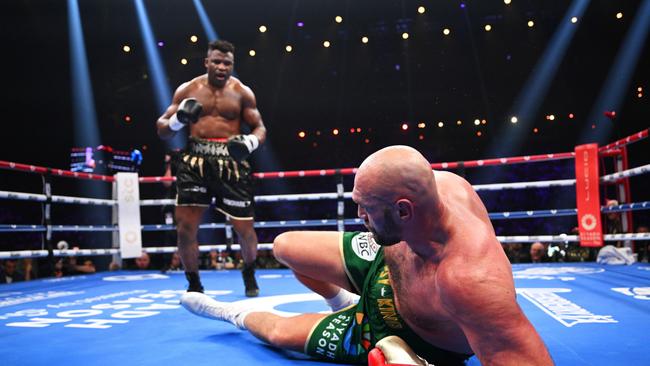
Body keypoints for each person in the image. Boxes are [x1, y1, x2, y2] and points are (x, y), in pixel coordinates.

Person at [180, 146, 553, 365]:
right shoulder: (439, 186)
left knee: (278, 332)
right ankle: (340, 300)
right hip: (387, 259)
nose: (360, 217)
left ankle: (225, 312)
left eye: (366, 209)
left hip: (407, 336)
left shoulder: (469, 280)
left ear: (403, 211)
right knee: (285, 246)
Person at [157, 39, 267, 296]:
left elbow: (260, 128)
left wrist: (250, 141)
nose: (221, 67)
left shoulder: (242, 92)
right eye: (216, 61)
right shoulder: (189, 89)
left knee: (244, 228)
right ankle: (194, 282)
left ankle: (249, 272)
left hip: (231, 163)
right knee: (185, 228)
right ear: (206, 62)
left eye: (227, 63)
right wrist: (177, 121)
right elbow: (162, 128)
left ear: (232, 65)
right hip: (195, 161)